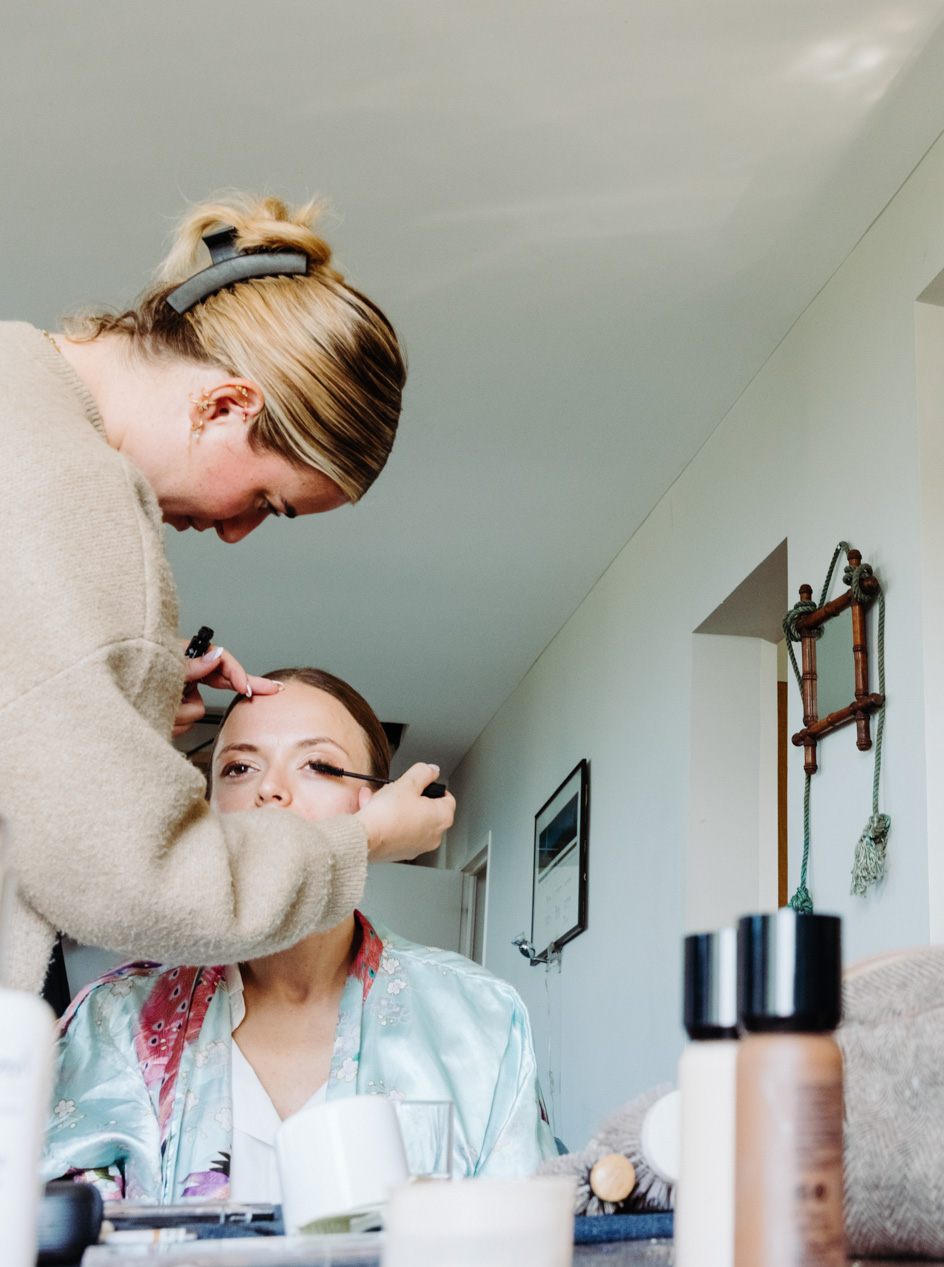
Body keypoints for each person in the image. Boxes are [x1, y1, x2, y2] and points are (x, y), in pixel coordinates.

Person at [0, 194, 453, 996]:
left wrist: (107, 685)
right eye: (267, 501)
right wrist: (363, 843)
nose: (238, 532)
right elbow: (128, 879)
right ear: (226, 405)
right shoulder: (79, 495)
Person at [42, 668, 553, 1201]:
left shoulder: (482, 1019)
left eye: (319, 764)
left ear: (380, 808)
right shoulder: (114, 1021)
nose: (269, 789)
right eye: (239, 767)